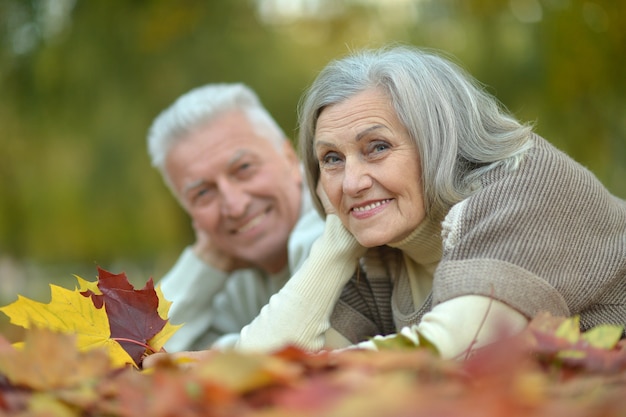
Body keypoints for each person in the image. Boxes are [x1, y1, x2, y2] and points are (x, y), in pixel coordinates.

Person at [225, 44, 626, 359]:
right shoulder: (378, 251)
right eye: (331, 158)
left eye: (377, 147)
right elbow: (265, 362)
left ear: (440, 144)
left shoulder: (528, 186)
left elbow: (449, 353)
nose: (351, 182)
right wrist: (335, 244)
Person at [146, 83, 324, 352]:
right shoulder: (229, 271)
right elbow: (136, 352)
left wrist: (215, 352)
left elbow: (305, 351)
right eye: (203, 193)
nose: (236, 206)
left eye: (244, 168)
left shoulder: (337, 222)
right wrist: (202, 265)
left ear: (290, 158)